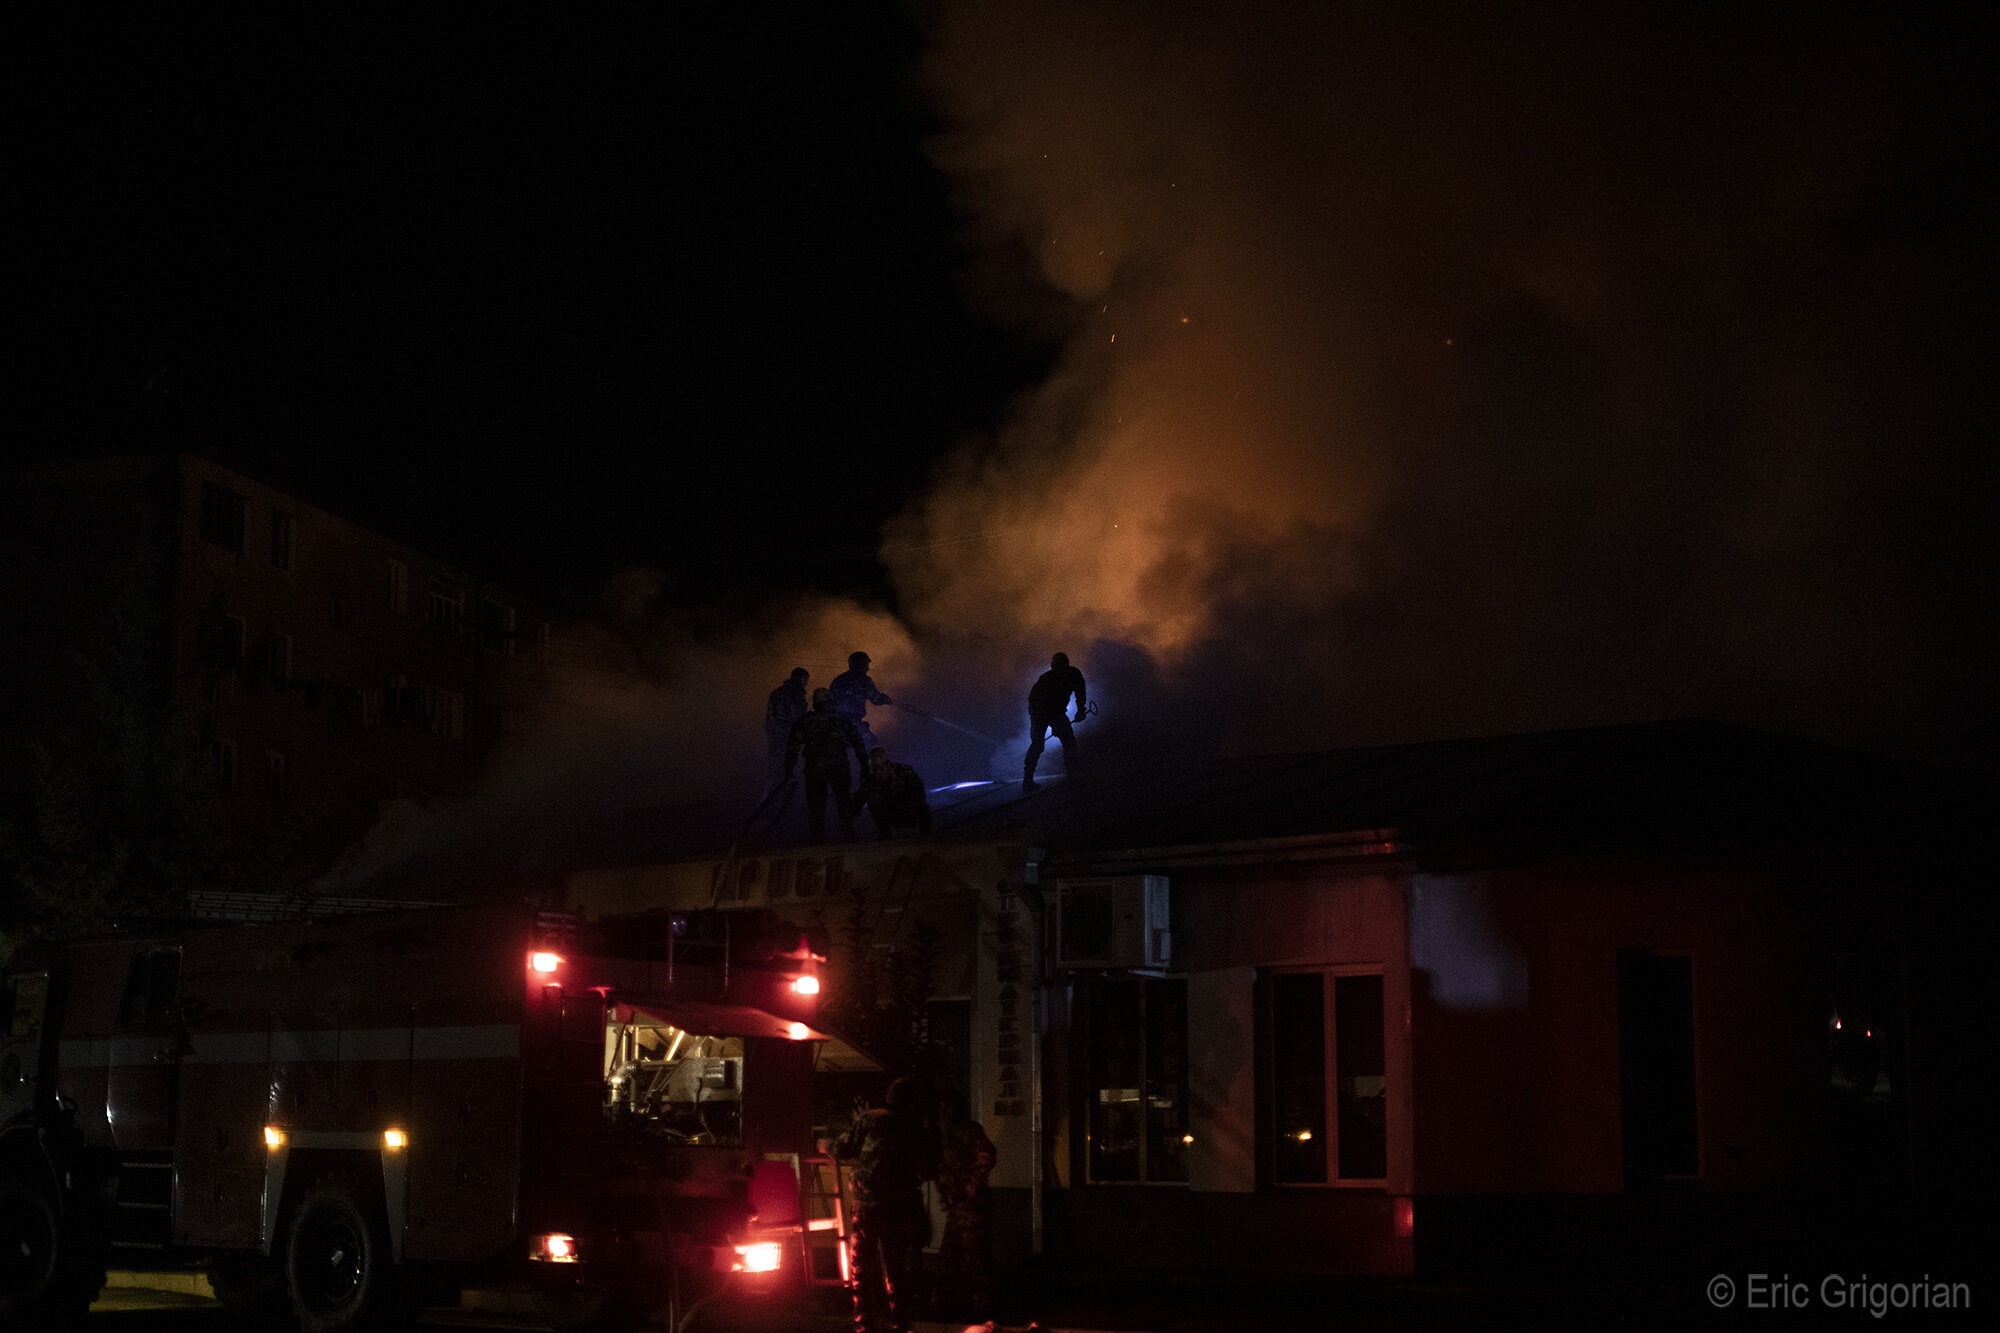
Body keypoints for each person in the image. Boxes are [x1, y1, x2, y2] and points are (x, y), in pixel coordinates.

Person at [833, 1079, 939, 1333]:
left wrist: (831, 1145)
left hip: (868, 1204)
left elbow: (843, 1148)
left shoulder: (871, 1119)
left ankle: (863, 1322)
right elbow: (927, 1168)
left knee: (861, 1264)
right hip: (899, 1206)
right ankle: (900, 1322)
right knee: (896, 1265)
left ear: (889, 1096)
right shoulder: (915, 1126)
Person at [933, 1090, 997, 1322]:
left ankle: (982, 1306)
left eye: (947, 1107)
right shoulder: (946, 1133)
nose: (943, 1112)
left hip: (971, 1206)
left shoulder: (969, 1130)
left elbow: (987, 1154)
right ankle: (944, 1304)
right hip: (957, 1204)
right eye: (941, 1108)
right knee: (949, 1255)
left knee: (975, 1255)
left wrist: (972, 1185)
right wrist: (944, 1190)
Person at [784, 687, 868, 843]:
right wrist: (864, 765)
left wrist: (789, 771)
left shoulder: (806, 721)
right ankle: (849, 835)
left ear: (815, 702)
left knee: (817, 806)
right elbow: (858, 743)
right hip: (838, 767)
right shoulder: (841, 719)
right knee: (843, 803)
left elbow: (792, 748)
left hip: (815, 770)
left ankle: (818, 839)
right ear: (830, 701)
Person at [1022, 651, 1086, 792]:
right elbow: (1035, 701)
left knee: (1069, 742)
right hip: (1040, 713)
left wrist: (1081, 709)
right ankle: (1027, 780)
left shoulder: (1073, 675)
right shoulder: (1046, 679)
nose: (1059, 670)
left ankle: (1072, 776)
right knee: (1038, 745)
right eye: (1057, 666)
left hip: (1056, 713)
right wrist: (1054, 724)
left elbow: (1080, 692)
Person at [859, 748, 933, 840]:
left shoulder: (903, 771)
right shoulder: (869, 778)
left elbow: (918, 791)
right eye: (873, 767)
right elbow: (863, 795)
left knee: (921, 808)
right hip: (888, 809)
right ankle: (886, 834)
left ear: (884, 761)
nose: (876, 771)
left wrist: (911, 804)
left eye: (877, 766)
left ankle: (924, 832)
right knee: (873, 801)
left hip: (905, 806)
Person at [829, 650, 894, 749]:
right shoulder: (864, 680)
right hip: (853, 722)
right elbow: (875, 699)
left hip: (836, 723)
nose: (868, 668)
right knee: (872, 746)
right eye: (866, 664)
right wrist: (886, 699)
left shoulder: (838, 680)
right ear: (861, 664)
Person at [764, 667, 810, 792]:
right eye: (805, 679)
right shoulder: (796, 694)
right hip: (789, 733)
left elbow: (769, 715)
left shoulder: (777, 692)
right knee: (790, 760)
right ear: (800, 678)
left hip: (775, 733)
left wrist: (771, 730)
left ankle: (770, 786)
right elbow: (798, 716)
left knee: (774, 760)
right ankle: (787, 785)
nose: (806, 683)